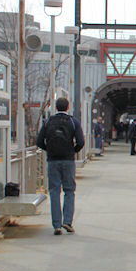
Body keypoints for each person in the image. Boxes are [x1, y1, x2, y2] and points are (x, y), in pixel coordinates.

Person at [37, 97, 85, 235]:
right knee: (69, 191)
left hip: (53, 161)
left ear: (56, 107)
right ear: (68, 107)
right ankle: (67, 222)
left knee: (54, 191)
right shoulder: (73, 122)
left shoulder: (48, 122)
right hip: (68, 161)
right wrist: (72, 151)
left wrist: (50, 150)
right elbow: (81, 142)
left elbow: (39, 142)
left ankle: (56, 225)